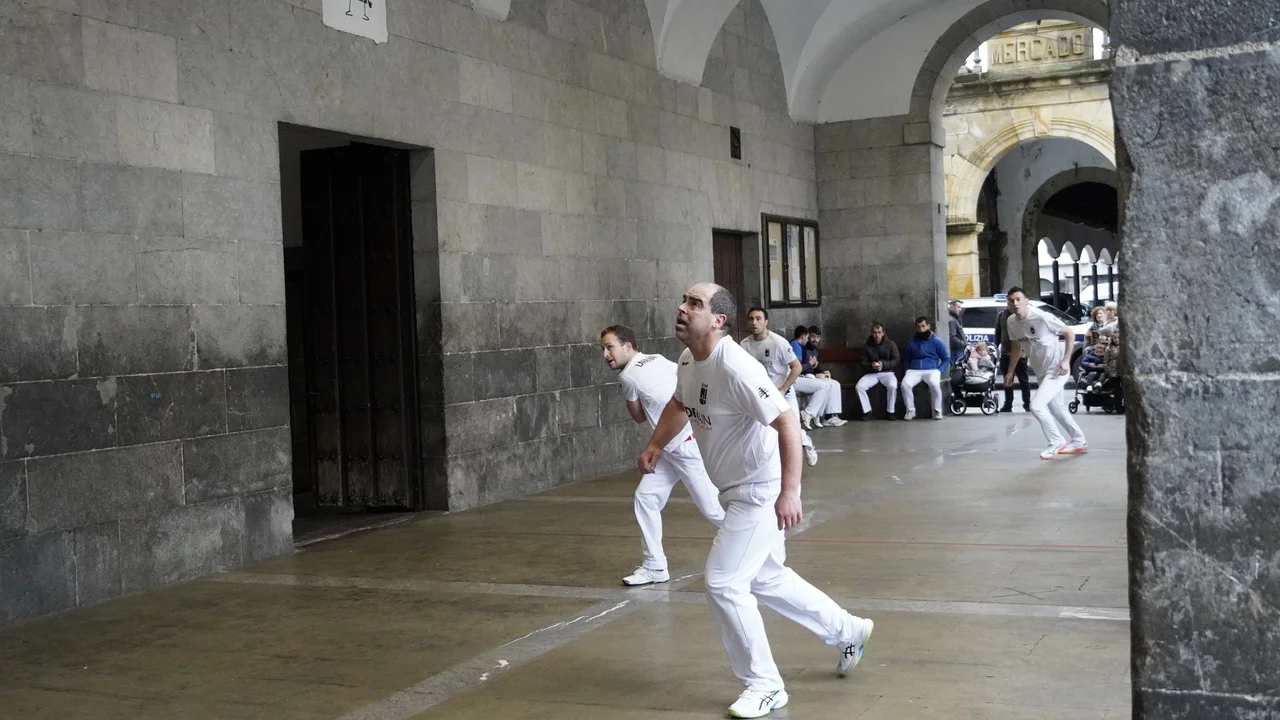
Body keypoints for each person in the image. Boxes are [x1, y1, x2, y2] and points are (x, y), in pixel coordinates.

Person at [637, 283, 874, 719]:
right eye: (684, 301)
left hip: (759, 491)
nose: (682, 308)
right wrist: (655, 444)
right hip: (733, 491)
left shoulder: (737, 367)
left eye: (694, 304)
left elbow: (786, 421)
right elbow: (679, 403)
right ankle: (850, 630)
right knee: (767, 579)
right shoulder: (689, 359)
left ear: (719, 320)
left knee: (724, 582)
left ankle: (765, 685)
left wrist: (790, 491)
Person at [601, 325, 726, 586]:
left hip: (685, 447)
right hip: (671, 447)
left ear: (627, 346)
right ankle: (655, 567)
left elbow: (638, 417)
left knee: (713, 509)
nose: (605, 354)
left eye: (610, 347)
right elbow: (683, 381)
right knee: (646, 497)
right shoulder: (657, 358)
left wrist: (632, 397)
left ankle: (763, 544)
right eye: (603, 349)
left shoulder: (628, 378)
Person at [1004, 286, 1089, 459]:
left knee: (1036, 406)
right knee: (1057, 408)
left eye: (1019, 299)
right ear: (1008, 304)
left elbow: (1069, 332)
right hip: (1040, 370)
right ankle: (1079, 440)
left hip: (1057, 368)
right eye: (1012, 300)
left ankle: (1056, 441)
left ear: (1026, 301)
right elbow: (1016, 345)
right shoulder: (1011, 321)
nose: (1015, 303)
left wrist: (1066, 360)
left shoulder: (1041, 317)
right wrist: (1010, 371)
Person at [740, 308, 819, 466]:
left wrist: (782, 389)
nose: (754, 322)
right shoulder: (744, 344)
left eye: (758, 319)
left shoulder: (779, 342)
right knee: (765, 432)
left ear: (766, 322)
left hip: (784, 392)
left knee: (792, 429)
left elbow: (796, 367)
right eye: (751, 319)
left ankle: (806, 443)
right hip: (762, 395)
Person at [794, 325, 847, 428]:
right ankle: (815, 415)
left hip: (812, 376)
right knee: (825, 385)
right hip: (803, 377)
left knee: (835, 384)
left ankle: (830, 417)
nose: (815, 340)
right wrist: (813, 370)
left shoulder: (816, 350)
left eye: (818, 337)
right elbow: (799, 368)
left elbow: (815, 368)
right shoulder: (801, 348)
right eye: (813, 336)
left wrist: (823, 372)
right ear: (807, 336)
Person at [902, 316, 949, 420]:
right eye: (918, 327)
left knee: (934, 384)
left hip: (932, 369)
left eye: (923, 326)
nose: (921, 329)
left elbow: (946, 359)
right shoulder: (911, 342)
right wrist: (907, 371)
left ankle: (938, 410)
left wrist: (939, 371)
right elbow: (906, 359)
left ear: (928, 326)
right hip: (914, 369)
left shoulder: (937, 341)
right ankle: (910, 410)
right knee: (905, 384)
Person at [855, 322, 900, 420]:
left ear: (883, 333)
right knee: (859, 387)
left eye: (879, 332)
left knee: (892, 385)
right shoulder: (866, 346)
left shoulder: (891, 344)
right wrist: (871, 366)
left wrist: (883, 364)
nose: (877, 335)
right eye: (875, 332)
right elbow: (863, 363)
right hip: (872, 373)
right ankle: (867, 411)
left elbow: (896, 360)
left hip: (888, 373)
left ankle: (891, 412)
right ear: (872, 333)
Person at [995, 298, 1031, 413]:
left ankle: (1027, 404)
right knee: (1007, 379)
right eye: (1009, 302)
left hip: (1021, 354)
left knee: (1023, 380)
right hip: (1006, 353)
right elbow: (998, 333)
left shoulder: (1022, 315)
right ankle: (1008, 404)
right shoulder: (1002, 315)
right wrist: (996, 348)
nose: (1011, 304)